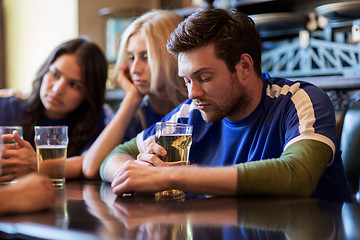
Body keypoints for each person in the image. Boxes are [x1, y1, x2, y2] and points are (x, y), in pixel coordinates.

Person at [100, 8, 353, 202]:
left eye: (205, 78)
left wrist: (168, 176)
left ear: (244, 66)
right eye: (187, 80)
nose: (193, 92)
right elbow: (113, 158)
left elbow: (297, 175)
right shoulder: (191, 112)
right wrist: (139, 171)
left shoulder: (300, 100)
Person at [82, 10, 188, 179]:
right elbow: (90, 167)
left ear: (171, 58)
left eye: (146, 57)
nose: (134, 69)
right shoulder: (136, 112)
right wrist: (132, 98)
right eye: (131, 58)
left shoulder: (196, 108)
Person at [0, 37, 112, 181]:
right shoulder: (6, 104)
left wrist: (38, 165)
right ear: (45, 71)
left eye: (74, 85)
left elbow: (88, 164)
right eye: (54, 74)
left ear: (89, 94)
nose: (57, 89)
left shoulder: (100, 118)